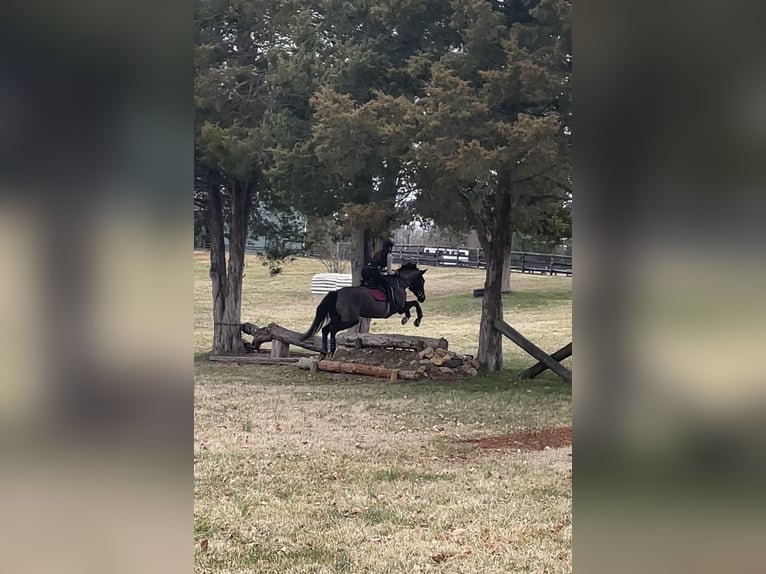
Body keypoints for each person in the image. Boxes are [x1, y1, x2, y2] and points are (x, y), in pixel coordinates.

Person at [361, 239, 396, 310]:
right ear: (390, 247)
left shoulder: (378, 253)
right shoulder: (389, 256)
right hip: (372, 272)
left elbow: (377, 267)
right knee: (388, 285)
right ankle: (392, 305)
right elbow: (389, 272)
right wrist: (395, 272)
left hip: (364, 270)